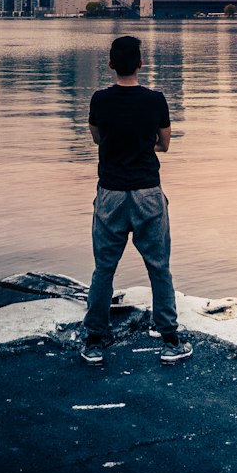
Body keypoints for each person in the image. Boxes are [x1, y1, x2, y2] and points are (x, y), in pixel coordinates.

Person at [81, 34, 192, 366]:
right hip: (147, 193)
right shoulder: (155, 100)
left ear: (111, 64)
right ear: (141, 63)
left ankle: (95, 342)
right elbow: (165, 144)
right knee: (159, 268)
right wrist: (143, 145)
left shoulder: (99, 100)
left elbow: (98, 139)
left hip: (111, 194)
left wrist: (118, 143)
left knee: (104, 269)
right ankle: (169, 339)